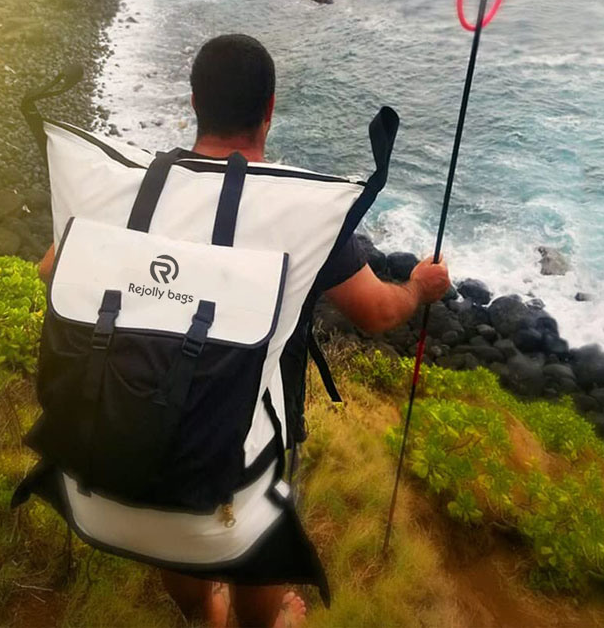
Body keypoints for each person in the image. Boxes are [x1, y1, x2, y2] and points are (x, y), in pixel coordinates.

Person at [37, 34, 450, 628]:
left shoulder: (125, 190)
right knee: (255, 547)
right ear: (271, 109)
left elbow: (52, 269)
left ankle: (204, 613)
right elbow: (377, 313)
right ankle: (267, 618)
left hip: (108, 478)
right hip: (238, 466)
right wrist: (418, 287)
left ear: (193, 102)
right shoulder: (300, 210)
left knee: (167, 465)